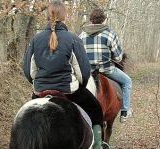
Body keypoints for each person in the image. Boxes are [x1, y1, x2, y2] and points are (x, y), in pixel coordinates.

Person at [23, 1, 103, 148]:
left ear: (48, 16)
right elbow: (84, 73)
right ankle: (98, 144)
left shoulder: (35, 39)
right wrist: (80, 86)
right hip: (68, 90)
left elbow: (29, 72)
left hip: (40, 91)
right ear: (64, 17)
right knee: (96, 108)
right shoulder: (73, 39)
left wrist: (40, 84)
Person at [79, 8, 133, 123]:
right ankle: (125, 112)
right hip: (106, 69)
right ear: (103, 20)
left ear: (91, 20)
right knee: (127, 82)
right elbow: (118, 57)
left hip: (87, 72)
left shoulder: (82, 35)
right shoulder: (110, 33)